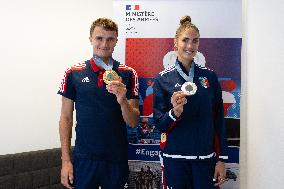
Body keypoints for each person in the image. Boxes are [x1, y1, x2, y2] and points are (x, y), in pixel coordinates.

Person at [58, 17, 139, 189]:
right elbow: (65, 118)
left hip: (116, 159)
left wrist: (122, 100)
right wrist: (66, 161)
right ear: (90, 39)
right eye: (99, 38)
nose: (104, 43)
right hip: (85, 158)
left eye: (110, 39)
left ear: (116, 41)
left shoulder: (128, 74)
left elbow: (133, 121)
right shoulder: (73, 73)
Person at [153, 15, 228, 189]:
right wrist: (174, 113)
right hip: (175, 160)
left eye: (195, 41)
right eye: (185, 40)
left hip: (205, 159)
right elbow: (160, 124)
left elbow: (219, 120)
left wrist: (221, 159)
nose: (190, 46)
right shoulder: (162, 79)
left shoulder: (209, 77)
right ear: (175, 43)